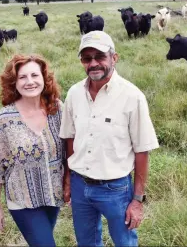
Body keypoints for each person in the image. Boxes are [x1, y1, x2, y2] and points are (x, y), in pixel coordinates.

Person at [59, 31, 159, 247]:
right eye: (87, 58)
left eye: (100, 56)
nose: (93, 63)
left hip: (115, 189)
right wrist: (68, 179)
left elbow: (142, 150)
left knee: (125, 242)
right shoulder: (74, 94)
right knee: (86, 243)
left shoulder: (133, 97)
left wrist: (137, 200)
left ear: (114, 58)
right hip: (79, 185)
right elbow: (70, 139)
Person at [0, 54, 65, 247]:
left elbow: (69, 151)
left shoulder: (58, 109)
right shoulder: (4, 119)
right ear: (14, 82)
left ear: (44, 79)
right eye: (22, 77)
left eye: (35, 76)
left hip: (53, 197)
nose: (30, 82)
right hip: (22, 200)